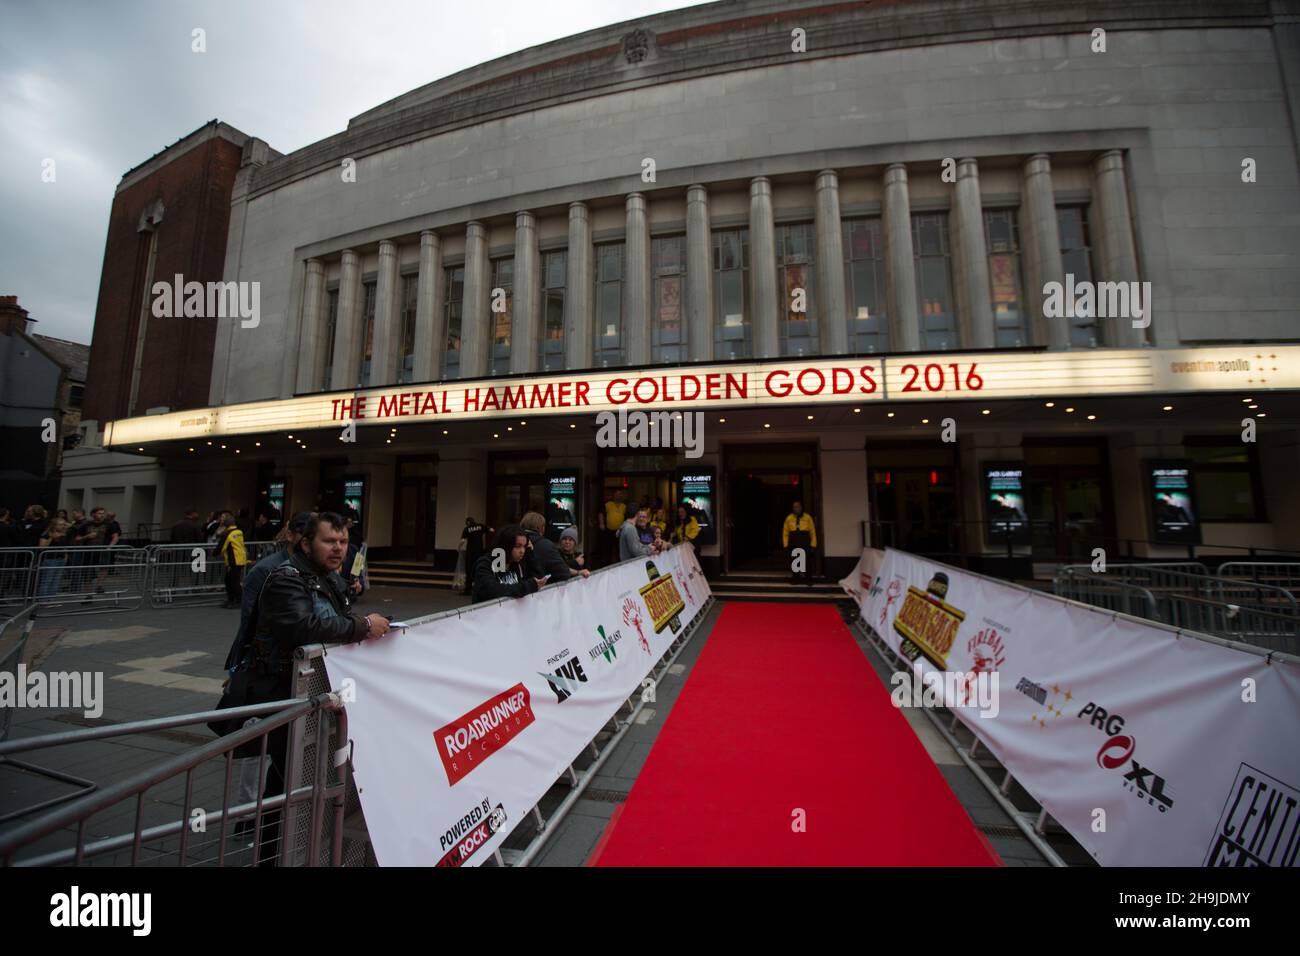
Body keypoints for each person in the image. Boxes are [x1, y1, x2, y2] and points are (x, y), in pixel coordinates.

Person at [242, 512, 392, 864]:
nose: (339, 548)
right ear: (305, 543)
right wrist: (363, 625)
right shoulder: (286, 579)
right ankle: (271, 856)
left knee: (305, 781)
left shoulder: (327, 578)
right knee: (282, 784)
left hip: (316, 697)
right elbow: (304, 625)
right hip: (286, 696)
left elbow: (334, 622)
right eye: (329, 541)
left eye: (343, 542)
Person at [223, 512, 314, 672]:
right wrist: (245, 663)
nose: (311, 542)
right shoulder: (266, 569)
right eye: (306, 535)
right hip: (269, 660)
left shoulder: (317, 568)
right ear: (290, 535)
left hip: (303, 656)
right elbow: (249, 620)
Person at [472, 524, 547, 603]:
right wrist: (527, 587)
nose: (522, 551)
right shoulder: (486, 563)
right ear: (506, 545)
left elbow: (538, 579)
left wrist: (531, 554)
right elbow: (493, 590)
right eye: (518, 546)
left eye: (524, 546)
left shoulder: (516, 563)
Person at [520, 511, 589, 583]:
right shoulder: (547, 547)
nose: (567, 542)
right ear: (542, 528)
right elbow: (563, 573)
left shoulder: (580, 556)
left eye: (571, 540)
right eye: (564, 539)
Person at [782, 499, 818, 584]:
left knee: (806, 561)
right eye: (794, 507)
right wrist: (786, 544)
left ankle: (808, 579)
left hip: (804, 540)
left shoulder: (808, 517)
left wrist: (813, 544)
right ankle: (796, 579)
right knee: (795, 561)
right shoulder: (789, 518)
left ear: (801, 508)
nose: (796, 508)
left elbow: (812, 532)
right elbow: (785, 532)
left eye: (797, 506)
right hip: (794, 540)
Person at [217, 512, 247, 608]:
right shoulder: (239, 531)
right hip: (240, 559)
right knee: (231, 580)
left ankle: (237, 601)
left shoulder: (227, 533)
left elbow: (221, 547)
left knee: (232, 581)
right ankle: (232, 600)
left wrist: (214, 553)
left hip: (233, 560)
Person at [36, 517, 72, 598]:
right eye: (61, 524)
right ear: (54, 525)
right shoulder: (46, 534)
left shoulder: (64, 535)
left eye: (64, 524)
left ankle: (51, 599)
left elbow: (64, 547)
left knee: (56, 581)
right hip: (50, 560)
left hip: (60, 560)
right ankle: (43, 600)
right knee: (47, 580)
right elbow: (42, 547)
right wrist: (52, 537)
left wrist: (65, 557)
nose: (63, 526)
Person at [459, 517, 490, 595]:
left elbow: (462, 541)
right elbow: (491, 530)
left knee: (469, 570)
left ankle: (468, 590)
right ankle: (479, 588)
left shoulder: (467, 529)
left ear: (468, 522)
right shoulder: (480, 526)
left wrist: (458, 547)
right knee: (479, 569)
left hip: (470, 553)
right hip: (479, 552)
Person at [601, 490, 626, 565]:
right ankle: (606, 565)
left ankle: (619, 564)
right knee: (608, 549)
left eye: (620, 494)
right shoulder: (608, 504)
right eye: (617, 494)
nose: (619, 496)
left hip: (620, 531)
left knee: (619, 549)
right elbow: (601, 513)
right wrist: (601, 523)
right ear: (614, 496)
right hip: (609, 530)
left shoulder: (624, 506)